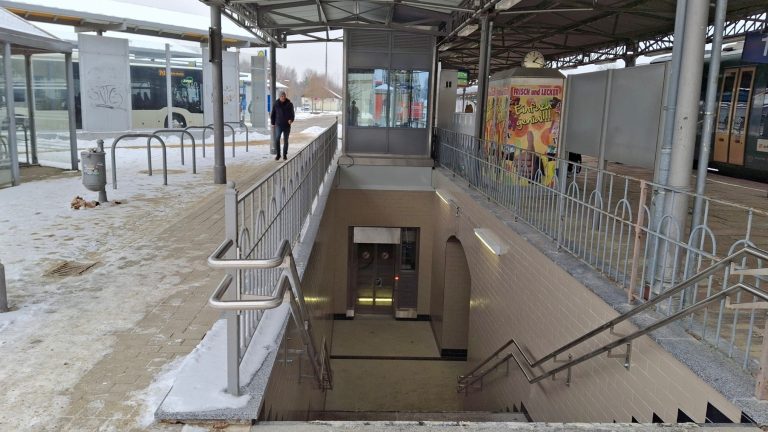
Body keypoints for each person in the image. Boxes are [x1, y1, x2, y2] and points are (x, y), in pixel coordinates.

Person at [270, 91, 295, 161]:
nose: (283, 97)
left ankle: (284, 154)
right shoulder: (276, 104)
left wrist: (291, 120)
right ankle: (278, 154)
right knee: (277, 139)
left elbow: (292, 114)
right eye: (282, 96)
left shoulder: (289, 104)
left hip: (287, 125)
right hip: (278, 125)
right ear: (279, 97)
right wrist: (272, 123)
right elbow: (273, 114)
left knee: (286, 140)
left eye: (284, 96)